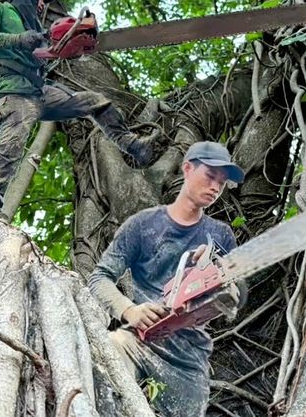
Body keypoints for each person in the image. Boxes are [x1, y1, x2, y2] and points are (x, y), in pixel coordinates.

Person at [0, 0, 161, 216]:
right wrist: (17, 39)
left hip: (40, 91)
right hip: (14, 92)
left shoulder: (37, 29)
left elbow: (46, 56)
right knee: (12, 143)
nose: (42, 4)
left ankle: (132, 145)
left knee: (95, 102)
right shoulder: (0, 10)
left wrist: (68, 49)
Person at [88, 141, 246, 416]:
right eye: (210, 176)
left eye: (221, 183)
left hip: (189, 359)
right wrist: (129, 310)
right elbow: (99, 278)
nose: (215, 187)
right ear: (187, 169)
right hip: (139, 341)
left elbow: (238, 298)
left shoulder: (220, 235)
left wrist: (222, 272)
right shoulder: (143, 224)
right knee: (111, 350)